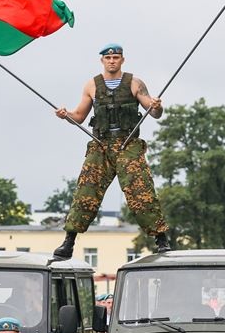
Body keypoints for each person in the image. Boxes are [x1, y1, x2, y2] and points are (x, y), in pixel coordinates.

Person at [52, 43, 170, 260]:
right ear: (102, 61)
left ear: (122, 60)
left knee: (140, 188)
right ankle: (69, 242)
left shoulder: (135, 83)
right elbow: (78, 116)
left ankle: (161, 239)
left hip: (128, 144)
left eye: (116, 57)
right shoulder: (92, 85)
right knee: (85, 190)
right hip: (102, 144)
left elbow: (154, 113)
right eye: (108, 58)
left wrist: (157, 106)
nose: (112, 61)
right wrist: (65, 114)